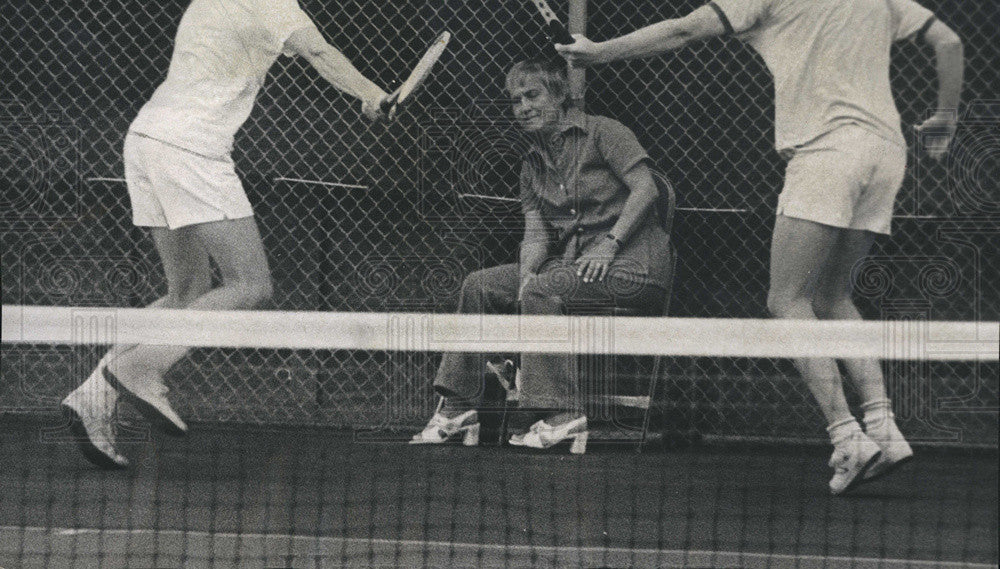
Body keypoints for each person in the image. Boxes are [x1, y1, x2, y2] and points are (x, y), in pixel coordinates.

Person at [555, 0, 963, 492]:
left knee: (786, 302)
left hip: (827, 153)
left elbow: (684, 30)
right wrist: (944, 115)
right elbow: (949, 42)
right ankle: (884, 426)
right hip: (885, 154)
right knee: (833, 297)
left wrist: (598, 54)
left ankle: (846, 435)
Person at [60, 0, 390, 469]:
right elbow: (319, 54)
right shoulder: (273, 4)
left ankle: (94, 395)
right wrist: (370, 93)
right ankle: (140, 366)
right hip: (192, 147)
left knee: (185, 291)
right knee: (250, 284)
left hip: (146, 138)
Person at [410, 57, 673, 454]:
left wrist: (610, 243)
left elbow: (646, 189)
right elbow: (535, 233)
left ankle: (562, 415)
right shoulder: (531, 164)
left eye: (532, 95)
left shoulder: (605, 132)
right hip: (573, 270)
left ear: (560, 95)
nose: (523, 107)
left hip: (635, 266)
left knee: (545, 292)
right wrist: (527, 273)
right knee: (479, 285)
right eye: (516, 100)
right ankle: (459, 406)